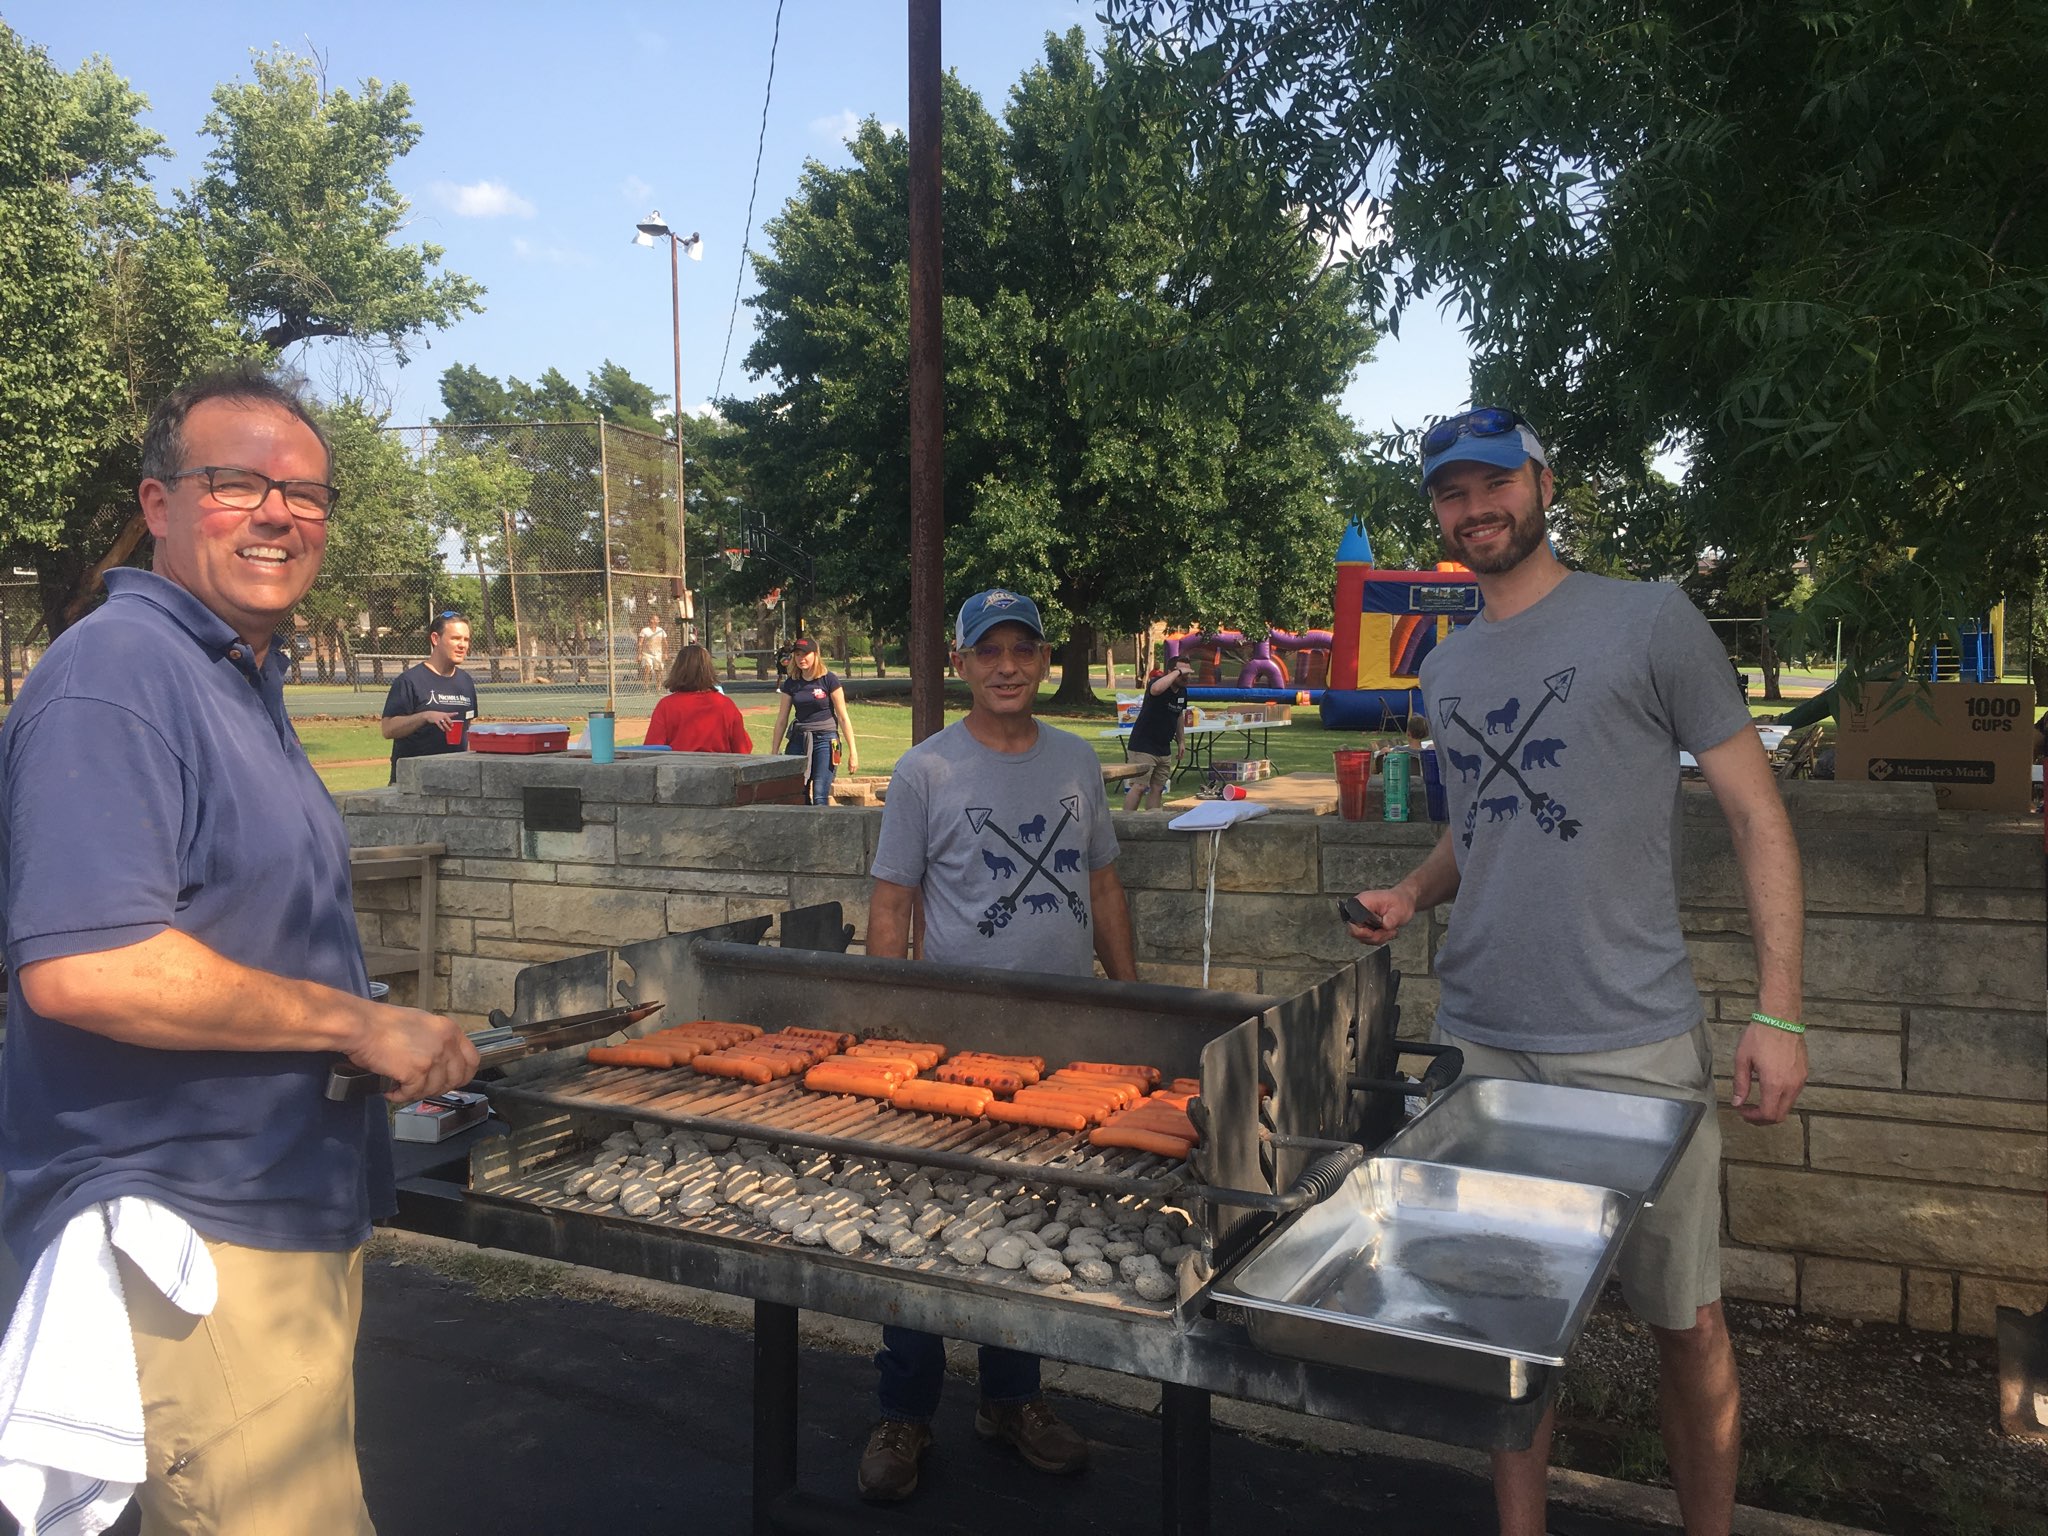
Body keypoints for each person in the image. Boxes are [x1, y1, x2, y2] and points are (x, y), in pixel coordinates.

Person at [0, 365, 479, 1534]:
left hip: (275, 1205)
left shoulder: (229, 674)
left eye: (307, 494)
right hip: (194, 1228)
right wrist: (359, 1020)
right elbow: (86, 963)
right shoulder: (119, 673)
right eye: (237, 483)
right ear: (158, 504)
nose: (279, 513)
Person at [1345, 407, 1806, 1536]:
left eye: (1492, 483)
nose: (1473, 509)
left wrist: (1779, 1013)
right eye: (1450, 493)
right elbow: (1482, 825)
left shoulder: (1649, 621)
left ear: (1542, 483)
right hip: (1484, 1039)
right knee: (1502, 1326)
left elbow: (1755, 816)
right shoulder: (1446, 668)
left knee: (1683, 1320)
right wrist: (1411, 894)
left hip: (1633, 1044)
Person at [859, 588, 1137, 1502]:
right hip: (951, 1044)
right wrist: (889, 1022)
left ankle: (1012, 1398)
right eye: (991, 651)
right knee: (923, 1220)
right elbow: (893, 903)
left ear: (1045, 659)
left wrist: (1130, 1003)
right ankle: (905, 1411)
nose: (1009, 665)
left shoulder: (1075, 764)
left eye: (1025, 649)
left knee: (1019, 1216)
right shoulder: (925, 773)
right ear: (963, 663)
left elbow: (1101, 886)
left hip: (1058, 1043)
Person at [381, 610, 478, 782]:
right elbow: (388, 729)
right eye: (455, 638)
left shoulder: (465, 682)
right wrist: (425, 716)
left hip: (455, 778)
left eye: (466, 639)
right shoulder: (410, 681)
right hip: (414, 781)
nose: (462, 645)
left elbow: (468, 728)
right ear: (435, 639)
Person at [770, 636, 859, 804]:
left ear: (815, 655)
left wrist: (853, 753)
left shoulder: (829, 679)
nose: (801, 659)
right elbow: (782, 719)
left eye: (805, 654)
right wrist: (774, 751)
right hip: (800, 738)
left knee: (820, 795)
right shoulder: (791, 683)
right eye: (797, 655)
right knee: (798, 793)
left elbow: (843, 717)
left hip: (826, 739)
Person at [644, 643, 754, 752]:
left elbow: (652, 749)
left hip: (678, 767)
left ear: (678, 670)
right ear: (708, 670)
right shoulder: (725, 704)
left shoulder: (666, 706)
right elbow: (742, 749)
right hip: (719, 767)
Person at [1122, 655, 1192, 810]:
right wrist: (1177, 672)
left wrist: (1181, 741)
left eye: (1187, 672)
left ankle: (1151, 822)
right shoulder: (1157, 683)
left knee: (1158, 788)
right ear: (1170, 672)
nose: (1185, 676)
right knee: (1140, 786)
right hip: (1143, 745)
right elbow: (1155, 690)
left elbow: (1179, 715)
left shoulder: (1182, 692)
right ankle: (1124, 824)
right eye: (1181, 672)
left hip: (1163, 747)